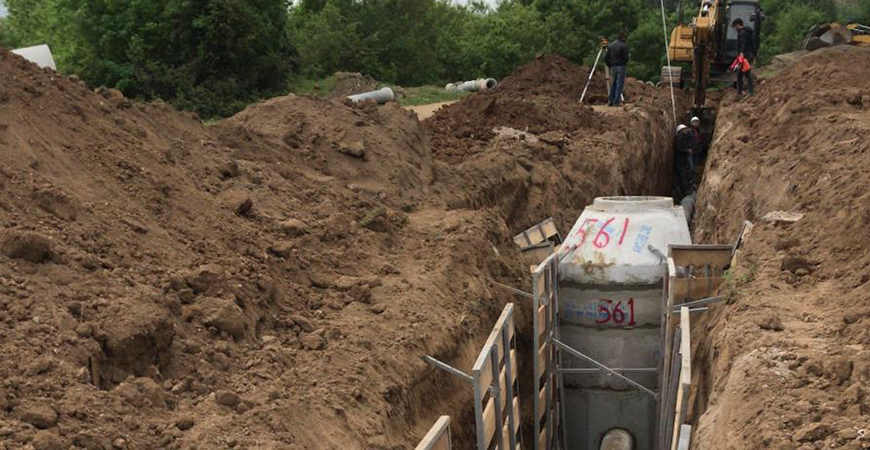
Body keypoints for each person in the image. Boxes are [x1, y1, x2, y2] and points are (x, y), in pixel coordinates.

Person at [604, 31, 629, 107]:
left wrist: (610, 65)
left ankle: (610, 100)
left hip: (613, 67)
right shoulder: (624, 46)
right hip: (621, 66)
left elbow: (606, 58)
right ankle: (616, 102)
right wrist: (626, 60)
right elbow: (625, 58)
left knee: (613, 84)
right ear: (623, 38)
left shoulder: (610, 46)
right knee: (619, 85)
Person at [732, 18, 755, 97]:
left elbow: (743, 43)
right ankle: (744, 92)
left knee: (744, 74)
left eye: (734, 26)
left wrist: (741, 53)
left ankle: (748, 92)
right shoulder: (748, 32)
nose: (734, 28)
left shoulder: (742, 33)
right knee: (741, 74)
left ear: (738, 25)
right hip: (747, 55)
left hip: (744, 56)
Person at [674, 124, 696, 197]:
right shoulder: (679, 138)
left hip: (683, 160)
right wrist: (687, 151)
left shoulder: (684, 137)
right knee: (683, 176)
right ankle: (685, 192)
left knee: (686, 174)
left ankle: (688, 189)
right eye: (684, 129)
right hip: (680, 161)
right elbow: (679, 148)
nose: (686, 131)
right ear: (680, 131)